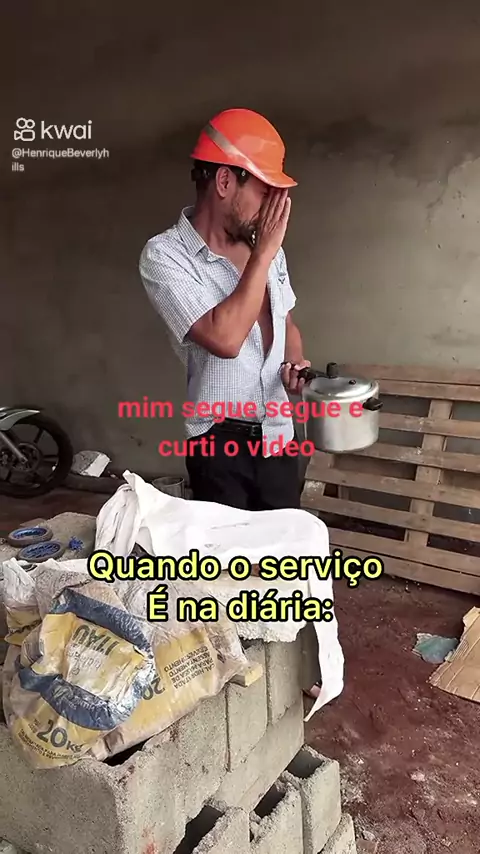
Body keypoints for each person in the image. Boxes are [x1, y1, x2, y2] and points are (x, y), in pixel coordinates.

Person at [139, 107, 311, 511]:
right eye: (264, 193)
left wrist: (295, 364)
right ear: (224, 181)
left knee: (282, 548)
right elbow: (225, 338)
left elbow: (286, 321)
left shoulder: (268, 250)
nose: (270, 209)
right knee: (227, 551)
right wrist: (263, 254)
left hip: (279, 436)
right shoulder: (165, 256)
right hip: (219, 446)